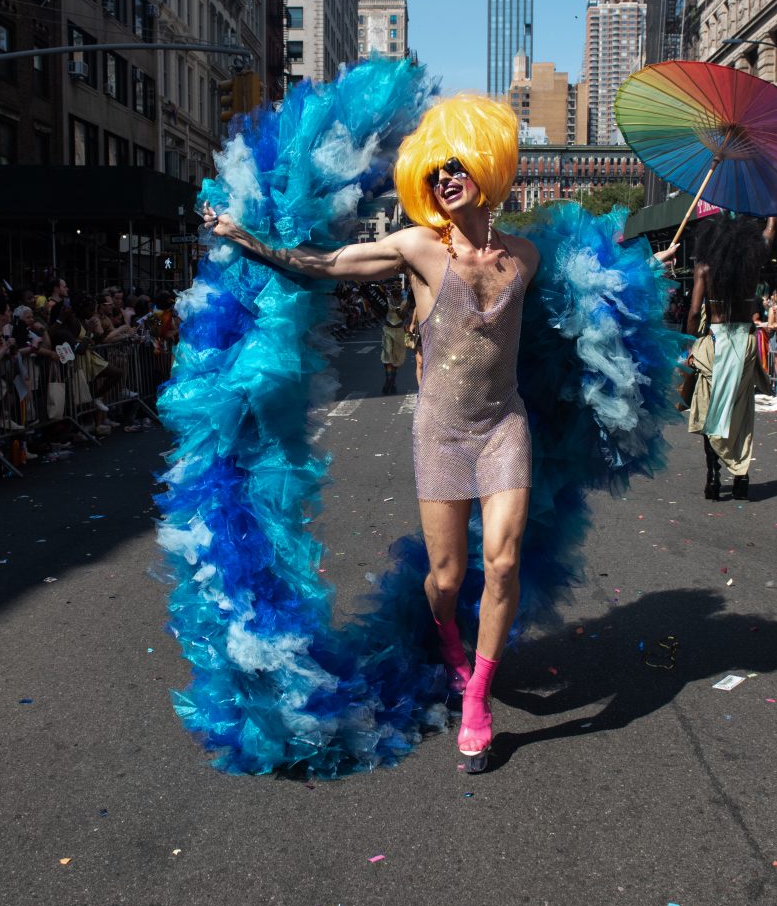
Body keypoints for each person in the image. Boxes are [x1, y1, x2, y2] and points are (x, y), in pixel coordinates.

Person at [202, 94, 538, 772]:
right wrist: (245, 238)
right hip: (441, 432)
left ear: (488, 164)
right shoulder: (417, 247)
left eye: (457, 165)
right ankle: (449, 640)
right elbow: (326, 264)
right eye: (435, 171)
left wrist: (640, 273)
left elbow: (578, 306)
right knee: (446, 578)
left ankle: (477, 696)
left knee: (503, 562)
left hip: (504, 425)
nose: (445, 179)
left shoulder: (525, 256)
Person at [654, 214, 775, 500]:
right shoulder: (751, 265)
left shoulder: (705, 267)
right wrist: (773, 212)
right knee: (741, 411)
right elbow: (769, 235)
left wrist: (690, 346)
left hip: (716, 342)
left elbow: (695, 312)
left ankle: (713, 474)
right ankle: (741, 476)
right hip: (744, 342)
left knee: (709, 408)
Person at [379, 280, 411, 395]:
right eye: (393, 286)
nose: (396, 288)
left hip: (399, 331)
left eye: (398, 286)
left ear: (401, 288)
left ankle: (392, 382)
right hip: (388, 330)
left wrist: (398, 310)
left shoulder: (405, 301)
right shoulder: (386, 300)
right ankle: (389, 381)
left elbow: (403, 316)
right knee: (387, 356)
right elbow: (380, 311)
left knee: (397, 359)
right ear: (391, 288)